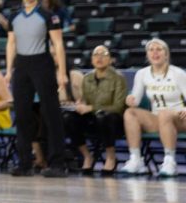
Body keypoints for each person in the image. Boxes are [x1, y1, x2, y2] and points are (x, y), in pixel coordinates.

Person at [5, 0, 69, 177]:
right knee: (22, 114)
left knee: (51, 113)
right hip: (22, 66)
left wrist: (62, 72)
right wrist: (9, 70)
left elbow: (58, 44)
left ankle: (57, 163)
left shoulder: (48, 15)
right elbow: (11, 44)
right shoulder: (13, 16)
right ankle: (25, 162)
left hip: (42, 63)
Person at [119, 38, 186, 177]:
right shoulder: (142, 73)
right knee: (130, 113)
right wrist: (130, 100)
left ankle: (169, 161)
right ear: (147, 55)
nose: (155, 53)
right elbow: (135, 100)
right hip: (158, 118)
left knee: (164, 114)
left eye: (159, 49)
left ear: (166, 54)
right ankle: (136, 159)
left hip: (180, 117)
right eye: (151, 50)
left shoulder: (178, 73)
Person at [64, 45, 126, 173]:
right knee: (68, 117)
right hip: (93, 118)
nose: (99, 58)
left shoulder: (118, 77)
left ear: (110, 59)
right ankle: (87, 156)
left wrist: (91, 107)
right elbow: (85, 101)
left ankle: (111, 156)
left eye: (103, 54)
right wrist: (80, 104)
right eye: (96, 55)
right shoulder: (87, 78)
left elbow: (118, 106)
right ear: (91, 60)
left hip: (113, 120)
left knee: (103, 116)